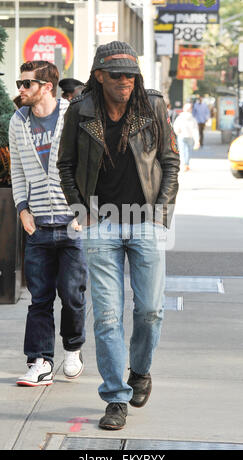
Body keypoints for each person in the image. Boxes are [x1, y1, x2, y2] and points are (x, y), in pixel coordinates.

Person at [57, 41, 180, 430]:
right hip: (100, 223)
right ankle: (115, 398)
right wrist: (81, 212)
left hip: (145, 221)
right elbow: (65, 166)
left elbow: (170, 161)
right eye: (117, 74)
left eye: (131, 74)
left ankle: (140, 370)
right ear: (99, 76)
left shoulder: (153, 106)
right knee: (108, 316)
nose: (126, 81)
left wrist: (161, 214)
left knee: (149, 310)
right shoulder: (81, 110)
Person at [9, 60, 87, 386]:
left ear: (47, 87)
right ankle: (40, 361)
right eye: (20, 84)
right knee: (39, 298)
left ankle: (72, 348)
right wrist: (22, 208)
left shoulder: (75, 116)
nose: (21, 90)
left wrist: (87, 208)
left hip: (73, 224)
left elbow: (93, 164)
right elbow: (16, 169)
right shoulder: (18, 122)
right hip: (37, 224)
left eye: (27, 84)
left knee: (72, 295)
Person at [173, 102, 200, 171]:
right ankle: (186, 164)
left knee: (182, 151)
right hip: (190, 137)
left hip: (182, 136)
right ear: (190, 109)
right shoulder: (192, 119)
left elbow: (175, 126)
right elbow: (195, 129)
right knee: (188, 150)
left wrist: (177, 133)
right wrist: (197, 140)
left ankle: (184, 164)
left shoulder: (180, 117)